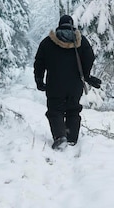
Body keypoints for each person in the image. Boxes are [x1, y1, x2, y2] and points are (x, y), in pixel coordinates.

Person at [34, 15, 101, 150]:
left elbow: (39, 63)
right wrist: (86, 75)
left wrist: (39, 80)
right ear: (72, 25)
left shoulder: (48, 42)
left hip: (54, 83)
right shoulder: (81, 41)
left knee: (55, 110)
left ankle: (60, 137)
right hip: (75, 84)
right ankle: (71, 138)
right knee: (73, 110)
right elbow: (89, 57)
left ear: (59, 25)